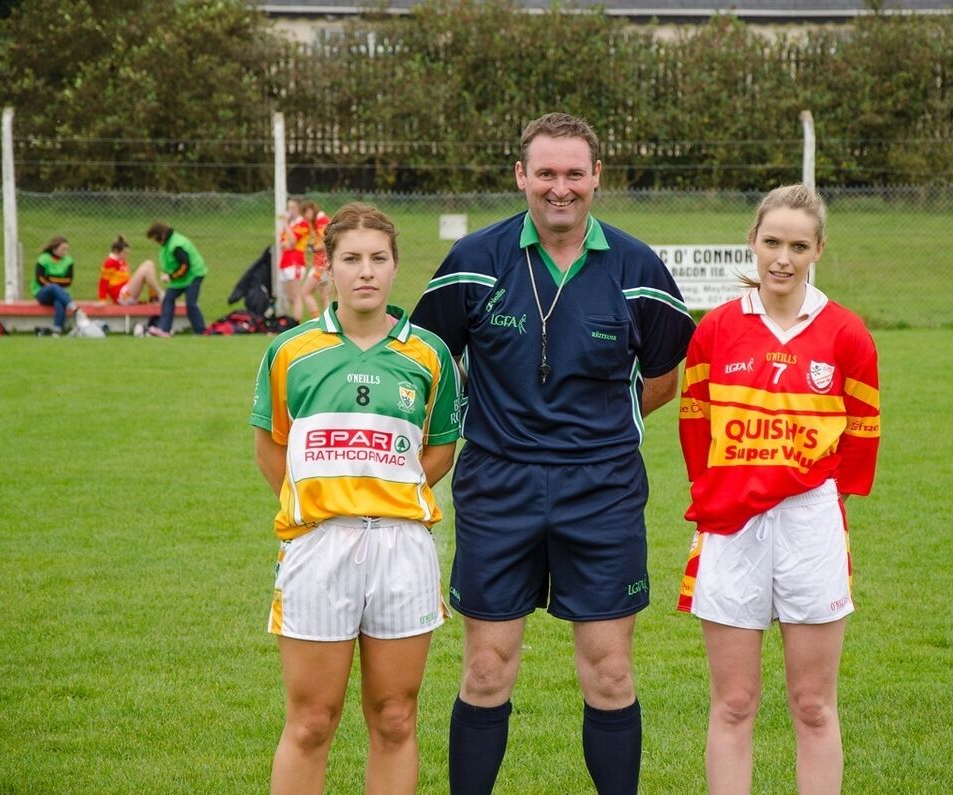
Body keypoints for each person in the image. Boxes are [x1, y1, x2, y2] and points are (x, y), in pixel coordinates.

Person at [412, 112, 695, 795]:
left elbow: (664, 374)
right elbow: (423, 360)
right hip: (496, 484)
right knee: (485, 668)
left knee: (609, 672)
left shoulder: (637, 267)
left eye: (574, 173)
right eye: (546, 173)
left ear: (597, 176)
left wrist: (604, 431)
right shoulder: (475, 262)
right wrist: (459, 427)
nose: (559, 188)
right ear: (521, 176)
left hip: (602, 488)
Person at [676, 184, 881, 795]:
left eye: (798, 245)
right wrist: (730, 487)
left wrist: (806, 490)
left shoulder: (846, 333)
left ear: (818, 249)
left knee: (813, 704)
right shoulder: (715, 329)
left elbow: (862, 438)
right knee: (734, 701)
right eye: (771, 242)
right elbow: (694, 427)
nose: (782, 258)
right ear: (752, 242)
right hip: (731, 523)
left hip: (809, 524)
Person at [251, 202, 461, 795]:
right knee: (312, 722)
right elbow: (272, 450)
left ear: (396, 268)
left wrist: (385, 495)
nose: (365, 271)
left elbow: (440, 450)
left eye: (378, 259)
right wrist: (321, 510)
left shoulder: (430, 355)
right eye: (351, 259)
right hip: (320, 546)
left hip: (401, 548)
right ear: (328, 268)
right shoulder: (291, 352)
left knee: (395, 718)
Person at [145, 221, 207, 336]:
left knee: (191, 303)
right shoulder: (166, 243)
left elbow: (185, 265)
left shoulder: (176, 245)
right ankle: (164, 330)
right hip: (180, 278)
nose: (155, 242)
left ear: (161, 236)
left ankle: (201, 331)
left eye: (156, 239)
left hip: (193, 275)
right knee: (168, 299)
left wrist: (170, 276)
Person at [31, 235, 87, 336]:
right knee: (54, 287)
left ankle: (57, 330)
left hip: (60, 294)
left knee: (59, 301)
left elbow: (68, 281)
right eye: (63, 249)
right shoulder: (43, 259)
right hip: (42, 292)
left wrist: (50, 279)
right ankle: (74, 308)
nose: (65, 251)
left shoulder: (68, 261)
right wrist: (55, 282)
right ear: (54, 249)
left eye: (66, 249)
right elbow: (40, 279)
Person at [97, 235, 163, 305]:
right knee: (146, 268)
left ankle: (154, 297)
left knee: (149, 264)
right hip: (123, 297)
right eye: (124, 253)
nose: (126, 256)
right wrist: (102, 299)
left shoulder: (120, 260)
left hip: (126, 293)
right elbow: (103, 282)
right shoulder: (110, 263)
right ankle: (160, 294)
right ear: (116, 251)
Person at [278, 196, 311, 320]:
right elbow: (283, 243)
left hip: (295, 261)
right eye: (289, 207)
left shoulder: (303, 223)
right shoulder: (291, 224)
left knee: (296, 296)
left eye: (293, 207)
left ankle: (295, 324)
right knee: (290, 296)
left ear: (299, 209)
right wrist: (288, 242)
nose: (290, 210)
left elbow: (292, 241)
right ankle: (293, 321)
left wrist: (285, 224)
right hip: (285, 261)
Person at [298, 199, 332, 319]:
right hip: (323, 262)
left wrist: (313, 248)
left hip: (321, 263)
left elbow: (326, 241)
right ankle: (327, 320)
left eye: (305, 214)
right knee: (324, 294)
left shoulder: (321, 220)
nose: (305, 218)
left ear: (309, 210)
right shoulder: (318, 220)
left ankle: (317, 321)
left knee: (305, 292)